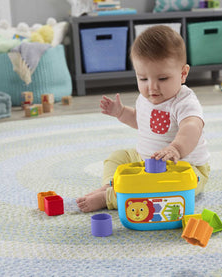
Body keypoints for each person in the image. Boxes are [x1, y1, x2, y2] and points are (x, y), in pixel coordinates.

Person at [76, 25, 210, 213]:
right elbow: (141, 122)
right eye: (143, 79)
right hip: (144, 159)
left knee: (158, 189)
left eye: (162, 79)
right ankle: (111, 184)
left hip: (185, 169)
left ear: (183, 74)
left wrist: (175, 148)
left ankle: (111, 198)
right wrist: (121, 112)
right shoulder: (145, 99)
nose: (152, 87)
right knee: (117, 158)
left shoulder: (184, 102)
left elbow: (192, 127)